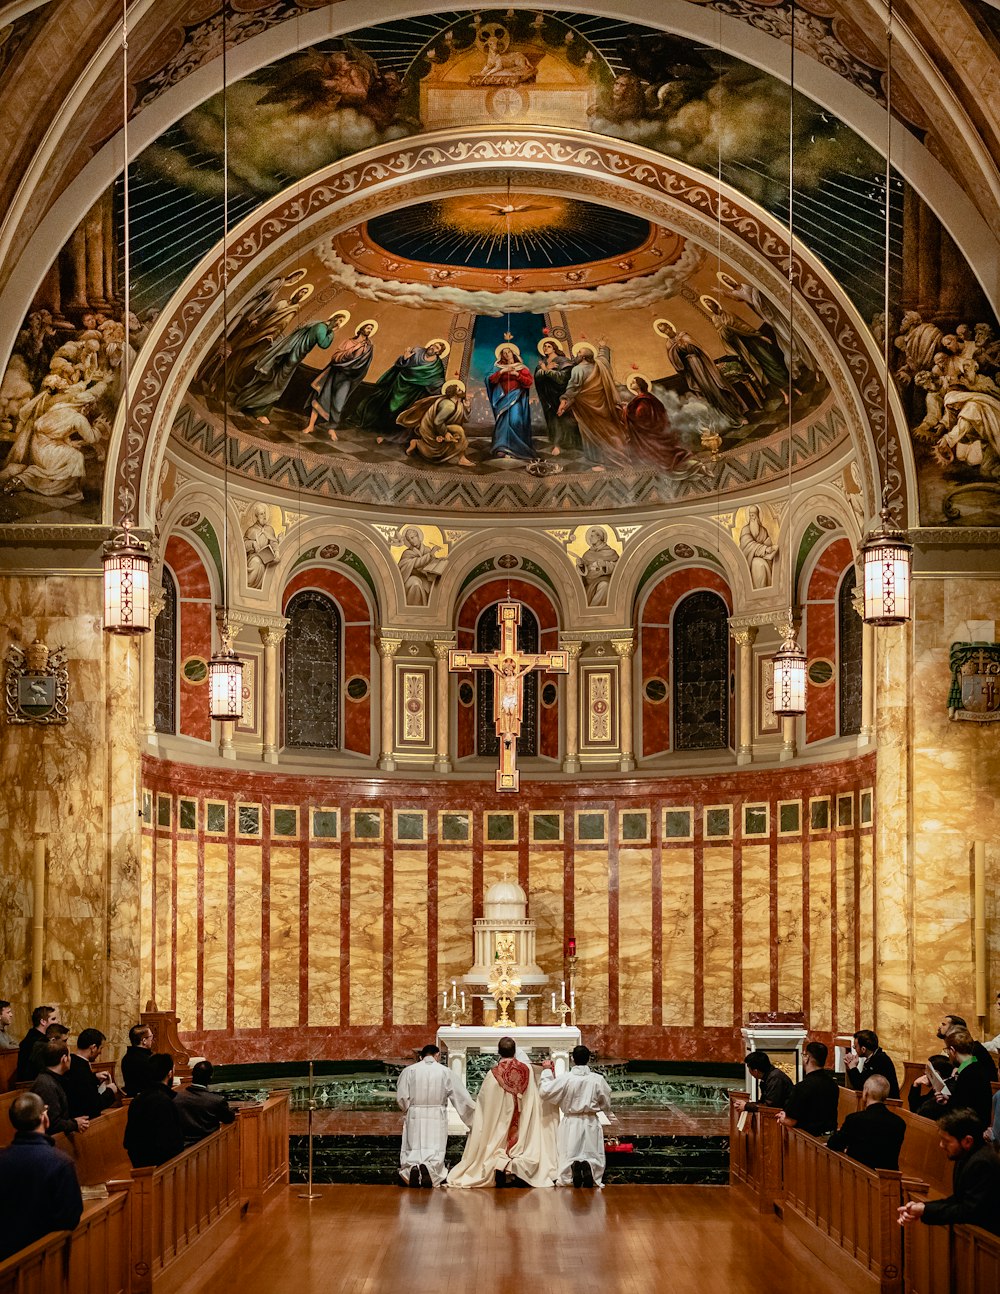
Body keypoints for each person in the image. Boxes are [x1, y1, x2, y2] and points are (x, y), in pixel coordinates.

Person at [448, 1037, 558, 1188]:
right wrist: (546, 1069)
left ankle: (500, 1164)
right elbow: (540, 1091)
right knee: (522, 1144)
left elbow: (485, 1103)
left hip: (501, 1122)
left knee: (497, 1140)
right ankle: (517, 1168)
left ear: (498, 1052)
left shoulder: (493, 1074)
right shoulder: (528, 1071)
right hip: (522, 1120)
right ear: (515, 1051)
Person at [0, 1093, 83, 1261]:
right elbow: (70, 1217)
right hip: (45, 1257)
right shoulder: (60, 1163)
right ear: (44, 1117)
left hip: (5, 1256)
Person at [898, 1108, 1000, 1236]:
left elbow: (969, 1210)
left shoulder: (982, 1163)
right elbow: (958, 1199)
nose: (941, 1145)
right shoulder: (967, 1156)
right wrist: (922, 1207)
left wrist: (925, 1209)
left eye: (946, 1141)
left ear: (967, 1141)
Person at [234, 311, 349, 424]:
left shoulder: (318, 325)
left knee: (273, 381)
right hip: (292, 356)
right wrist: (332, 333)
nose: (339, 324)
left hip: (292, 355)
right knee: (277, 384)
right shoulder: (321, 328)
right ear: (333, 318)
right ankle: (259, 411)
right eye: (338, 320)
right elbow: (323, 344)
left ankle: (248, 402)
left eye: (341, 322)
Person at [396, 1043, 474, 1187]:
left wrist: (408, 1108)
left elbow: (402, 1097)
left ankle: (412, 1168)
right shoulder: (445, 1071)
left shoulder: (409, 1071)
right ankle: (431, 1170)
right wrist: (474, 1119)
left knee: (414, 1146)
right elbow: (461, 1097)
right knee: (434, 1146)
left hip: (415, 1113)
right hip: (436, 1114)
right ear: (437, 1055)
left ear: (421, 1057)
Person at [539, 1044, 614, 1188]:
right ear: (588, 1059)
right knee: (591, 1151)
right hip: (591, 1120)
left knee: (569, 1151)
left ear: (573, 1059)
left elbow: (545, 1091)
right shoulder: (597, 1079)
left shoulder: (566, 1079)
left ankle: (571, 1173)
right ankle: (591, 1170)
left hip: (571, 1120)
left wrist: (547, 1071)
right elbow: (606, 1102)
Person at [653, 318, 748, 424]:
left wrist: (686, 345)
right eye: (663, 331)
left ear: (670, 327)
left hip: (703, 366)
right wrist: (676, 350)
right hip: (693, 372)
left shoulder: (684, 335)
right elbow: (677, 365)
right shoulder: (669, 345)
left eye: (666, 329)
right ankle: (724, 419)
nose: (666, 332)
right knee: (708, 393)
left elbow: (698, 349)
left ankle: (736, 414)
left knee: (718, 388)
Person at [349, 340, 448, 434]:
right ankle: (371, 425)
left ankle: (387, 431)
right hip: (399, 383)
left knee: (399, 410)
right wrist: (404, 358)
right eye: (432, 345)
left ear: (439, 352)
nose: (432, 347)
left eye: (436, 347)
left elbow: (438, 381)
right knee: (385, 403)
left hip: (412, 391)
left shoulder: (437, 366)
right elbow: (400, 364)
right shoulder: (417, 351)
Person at [557, 341, 630, 469]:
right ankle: (617, 455)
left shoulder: (578, 369)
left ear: (584, 357)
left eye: (579, 353)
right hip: (603, 405)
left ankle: (599, 459)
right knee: (608, 430)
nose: (576, 355)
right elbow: (604, 358)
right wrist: (602, 347)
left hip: (587, 408)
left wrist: (563, 401)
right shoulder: (600, 365)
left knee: (591, 431)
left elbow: (573, 388)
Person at [305, 319, 377, 438]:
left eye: (371, 329)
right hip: (335, 373)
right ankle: (311, 425)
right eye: (368, 327)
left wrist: (353, 367)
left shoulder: (368, 347)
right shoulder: (348, 342)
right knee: (321, 398)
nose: (370, 330)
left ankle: (331, 428)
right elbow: (336, 356)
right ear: (361, 328)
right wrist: (352, 350)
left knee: (338, 403)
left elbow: (364, 365)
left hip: (348, 378)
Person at [828, 1075, 906, 1171]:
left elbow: (833, 1143)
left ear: (866, 1092)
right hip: (887, 1180)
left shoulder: (854, 1119)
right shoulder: (899, 1123)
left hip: (858, 1175)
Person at [621, 375, 697, 472]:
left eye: (634, 382)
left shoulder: (644, 400)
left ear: (640, 385)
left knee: (657, 454)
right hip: (650, 432)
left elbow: (641, 416)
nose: (631, 383)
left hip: (649, 433)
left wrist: (625, 410)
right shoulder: (645, 398)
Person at [123, 1053, 184, 1169]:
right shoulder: (165, 1101)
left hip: (139, 1163)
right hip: (163, 1167)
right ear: (170, 1074)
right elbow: (171, 1143)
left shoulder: (137, 1100)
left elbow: (128, 1141)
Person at [399, 380, 474, 467]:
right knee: (459, 430)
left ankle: (418, 443)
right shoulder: (449, 405)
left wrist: (467, 407)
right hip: (431, 428)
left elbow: (464, 419)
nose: (462, 391)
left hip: (440, 426)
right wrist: (445, 433)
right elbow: (437, 421)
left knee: (437, 449)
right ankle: (462, 459)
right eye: (459, 390)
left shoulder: (458, 403)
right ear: (453, 393)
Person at [934, 1026, 994, 1125]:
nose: (947, 1053)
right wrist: (948, 1100)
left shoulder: (969, 1073)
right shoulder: (976, 1066)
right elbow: (965, 1100)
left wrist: (949, 1104)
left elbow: (964, 1109)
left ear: (952, 1050)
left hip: (970, 1129)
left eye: (947, 1050)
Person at [779, 1040, 839, 1136]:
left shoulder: (802, 1087)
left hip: (810, 1140)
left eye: (803, 1055)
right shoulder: (833, 1084)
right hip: (830, 1136)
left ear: (807, 1058)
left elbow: (790, 1121)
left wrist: (783, 1118)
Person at [30, 1041, 89, 1136]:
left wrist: (73, 1122)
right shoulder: (47, 1085)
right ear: (64, 1059)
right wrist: (74, 1124)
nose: (71, 1059)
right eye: (69, 1056)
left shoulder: (51, 1079)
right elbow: (52, 1123)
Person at [487, 345, 534, 460]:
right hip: (502, 399)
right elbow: (490, 379)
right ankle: (501, 447)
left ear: (513, 353)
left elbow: (529, 382)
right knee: (503, 422)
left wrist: (517, 375)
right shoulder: (498, 367)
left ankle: (517, 448)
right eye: (504, 353)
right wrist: (502, 371)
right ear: (501, 355)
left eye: (508, 352)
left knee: (515, 420)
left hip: (516, 397)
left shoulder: (521, 367)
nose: (506, 354)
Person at [534, 338, 580, 455]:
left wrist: (547, 371)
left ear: (554, 347)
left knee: (564, 418)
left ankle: (568, 443)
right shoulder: (543, 362)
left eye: (548, 346)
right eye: (544, 346)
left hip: (560, 394)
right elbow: (537, 378)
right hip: (547, 395)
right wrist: (545, 370)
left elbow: (562, 378)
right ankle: (556, 444)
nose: (545, 348)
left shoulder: (564, 361)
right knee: (552, 419)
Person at [173, 1061, 235, 1144]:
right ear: (210, 1078)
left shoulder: (177, 1097)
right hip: (209, 1146)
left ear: (192, 1075)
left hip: (182, 1145)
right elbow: (229, 1118)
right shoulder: (216, 1101)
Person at [63, 1028, 117, 1120]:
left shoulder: (73, 1062)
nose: (100, 1052)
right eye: (100, 1048)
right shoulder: (81, 1069)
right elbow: (93, 1106)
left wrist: (95, 1078)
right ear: (93, 1048)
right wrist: (110, 1091)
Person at [936, 1012, 998, 1081]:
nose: (939, 1026)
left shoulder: (973, 1048)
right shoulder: (953, 1049)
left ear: (955, 1029)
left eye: (943, 1024)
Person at [396, 526, 448, 606]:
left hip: (426, 579)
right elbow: (416, 562)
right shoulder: (407, 553)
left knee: (438, 587)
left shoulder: (426, 550)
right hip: (411, 578)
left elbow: (431, 563)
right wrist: (430, 554)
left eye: (413, 537)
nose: (412, 541)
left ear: (418, 536)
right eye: (409, 540)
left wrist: (440, 561)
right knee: (415, 584)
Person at [845, 1029, 900, 1100]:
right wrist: (850, 1067)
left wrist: (853, 1067)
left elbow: (861, 1086)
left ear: (863, 1049)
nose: (855, 1049)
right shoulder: (874, 1057)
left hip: (889, 1103)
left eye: (855, 1047)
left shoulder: (879, 1060)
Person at [576, 526, 619, 608]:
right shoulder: (587, 554)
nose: (590, 538)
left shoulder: (611, 552)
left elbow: (618, 567)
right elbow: (584, 572)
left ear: (599, 537)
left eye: (592, 536)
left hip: (604, 579)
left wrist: (605, 565)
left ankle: (593, 610)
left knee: (604, 586)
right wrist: (581, 565)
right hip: (590, 582)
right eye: (590, 536)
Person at [739, 505, 777, 590]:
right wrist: (764, 549)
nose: (751, 517)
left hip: (765, 559)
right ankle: (759, 590)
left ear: (757, 516)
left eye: (753, 515)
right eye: (750, 515)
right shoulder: (745, 529)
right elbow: (748, 544)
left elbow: (768, 543)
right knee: (758, 564)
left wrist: (769, 548)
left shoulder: (763, 530)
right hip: (751, 559)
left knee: (763, 564)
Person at [243, 502, 279, 590]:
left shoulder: (269, 529)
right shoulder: (251, 530)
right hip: (254, 556)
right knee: (257, 562)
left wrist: (277, 552)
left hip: (268, 557)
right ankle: (249, 587)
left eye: (265, 513)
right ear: (256, 516)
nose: (264, 516)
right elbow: (244, 544)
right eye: (261, 514)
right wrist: (252, 544)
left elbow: (274, 543)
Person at [908, 1054, 955, 1120]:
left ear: (936, 1073)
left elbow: (920, 1112)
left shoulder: (948, 1089)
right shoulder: (942, 1084)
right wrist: (916, 1084)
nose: (925, 1072)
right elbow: (914, 1107)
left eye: (928, 1070)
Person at [16, 1005, 57, 1081]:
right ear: (43, 1022)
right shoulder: (39, 1042)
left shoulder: (32, 1037)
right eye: (53, 1019)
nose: (56, 1022)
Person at [121, 1023, 155, 1096]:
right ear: (144, 1041)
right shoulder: (148, 1060)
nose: (152, 1040)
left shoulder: (126, 1058)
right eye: (151, 1037)